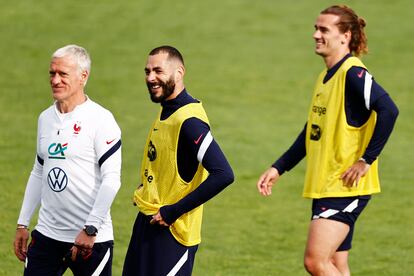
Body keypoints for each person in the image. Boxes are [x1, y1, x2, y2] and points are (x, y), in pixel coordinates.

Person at [257, 5, 398, 276]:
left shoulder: (352, 73)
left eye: (324, 29)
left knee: (315, 262)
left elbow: (389, 109)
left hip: (344, 186)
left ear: (345, 36)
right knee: (336, 264)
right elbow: (313, 131)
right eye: (315, 28)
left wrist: (366, 159)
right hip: (327, 185)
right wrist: (279, 167)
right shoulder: (325, 77)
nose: (315, 35)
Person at [122, 45, 234, 275]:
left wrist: (173, 211)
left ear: (179, 72)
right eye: (147, 71)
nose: (151, 78)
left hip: (172, 234)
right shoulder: (167, 110)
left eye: (158, 71)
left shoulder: (189, 120)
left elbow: (223, 173)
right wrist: (149, 188)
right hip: (148, 223)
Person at [13, 44, 122, 275]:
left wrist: (90, 229)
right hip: (47, 235)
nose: (55, 80)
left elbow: (111, 179)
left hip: (91, 240)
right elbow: (39, 171)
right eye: (52, 73)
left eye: (63, 74)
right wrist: (23, 223)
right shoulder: (45, 118)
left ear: (84, 76)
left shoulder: (101, 119)